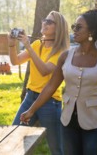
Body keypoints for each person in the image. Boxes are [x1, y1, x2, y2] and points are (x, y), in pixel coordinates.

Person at [20, 9, 97, 155]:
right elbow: (50, 86)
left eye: (79, 27)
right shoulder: (65, 56)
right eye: (74, 26)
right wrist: (31, 110)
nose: (74, 30)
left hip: (96, 124)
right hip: (67, 122)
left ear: (91, 31)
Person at [8, 11, 69, 155]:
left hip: (50, 101)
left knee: (56, 148)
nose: (45, 23)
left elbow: (44, 70)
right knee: (13, 135)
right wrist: (11, 45)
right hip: (30, 98)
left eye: (49, 22)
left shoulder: (61, 51)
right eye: (45, 20)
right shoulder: (37, 44)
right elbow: (15, 61)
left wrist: (28, 46)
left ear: (58, 28)